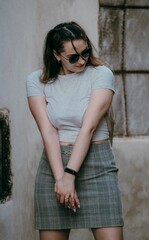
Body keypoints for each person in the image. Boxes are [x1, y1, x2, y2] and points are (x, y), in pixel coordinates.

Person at [26, 21, 124, 240]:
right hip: (54, 167)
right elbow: (48, 132)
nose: (82, 61)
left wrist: (70, 175)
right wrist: (61, 178)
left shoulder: (101, 74)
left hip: (96, 165)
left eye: (85, 52)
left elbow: (88, 128)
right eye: (73, 57)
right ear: (56, 55)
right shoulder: (36, 81)